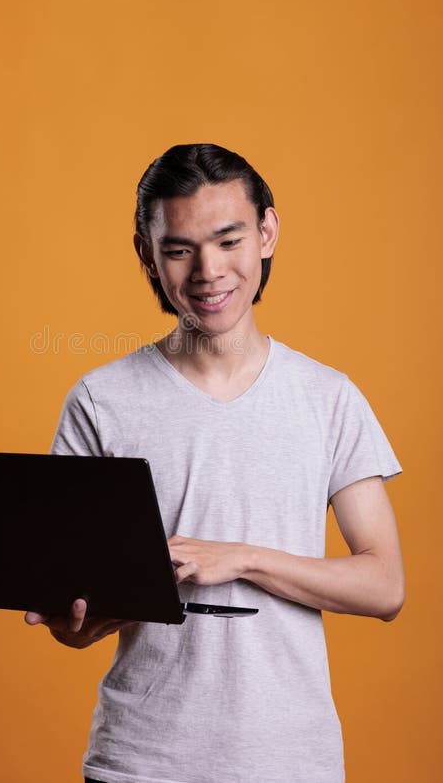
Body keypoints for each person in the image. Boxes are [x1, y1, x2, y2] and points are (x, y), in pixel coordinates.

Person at [25, 143, 405, 783]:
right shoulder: (100, 400)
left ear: (267, 233)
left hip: (291, 762)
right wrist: (77, 619)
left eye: (229, 240)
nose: (208, 271)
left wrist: (243, 557)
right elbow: (74, 617)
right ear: (148, 255)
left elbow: (385, 585)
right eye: (179, 249)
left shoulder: (328, 397)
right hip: (139, 763)